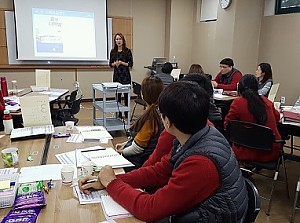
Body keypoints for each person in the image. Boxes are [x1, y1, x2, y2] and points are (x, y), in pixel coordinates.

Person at [79, 81, 248, 223]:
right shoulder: (199, 133)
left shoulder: (201, 163)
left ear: (167, 122)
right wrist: (109, 180)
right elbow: (159, 171)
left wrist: (113, 184)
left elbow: (149, 209)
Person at [224, 74, 282, 162]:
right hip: (268, 151)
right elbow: (277, 118)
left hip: (243, 150)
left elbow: (227, 125)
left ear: (240, 88)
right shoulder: (267, 102)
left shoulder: (237, 103)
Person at [115, 76, 164, 171]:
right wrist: (125, 144)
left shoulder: (150, 118)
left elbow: (138, 148)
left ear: (143, 95)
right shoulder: (158, 111)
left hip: (138, 162)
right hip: (145, 158)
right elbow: (140, 138)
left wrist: (122, 152)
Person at [109, 33, 133, 119]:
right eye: (116, 39)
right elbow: (110, 64)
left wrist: (122, 63)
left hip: (126, 75)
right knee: (118, 96)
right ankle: (118, 114)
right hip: (117, 76)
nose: (118, 41)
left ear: (123, 40)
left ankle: (126, 113)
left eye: (120, 39)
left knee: (126, 96)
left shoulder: (127, 51)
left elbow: (131, 64)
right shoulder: (113, 51)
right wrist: (115, 63)